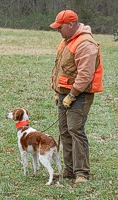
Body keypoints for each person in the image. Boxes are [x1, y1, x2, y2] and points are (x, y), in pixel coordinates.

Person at [50, 10, 103, 184]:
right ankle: (69, 170)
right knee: (64, 131)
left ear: (71, 25)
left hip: (80, 94)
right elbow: (61, 68)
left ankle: (82, 173)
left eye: (60, 27)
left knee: (76, 131)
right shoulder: (66, 41)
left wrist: (72, 95)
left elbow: (85, 75)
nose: (58, 30)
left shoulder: (85, 43)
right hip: (65, 93)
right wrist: (58, 92)